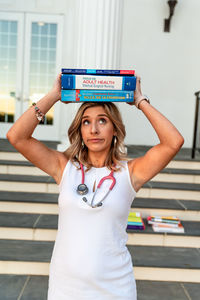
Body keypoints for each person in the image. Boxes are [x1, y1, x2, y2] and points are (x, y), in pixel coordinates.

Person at [7, 73, 184, 300]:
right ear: (80, 131)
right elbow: (16, 136)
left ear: (115, 129)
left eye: (102, 120)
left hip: (115, 288)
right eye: (86, 122)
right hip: (66, 287)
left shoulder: (130, 173)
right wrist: (54, 95)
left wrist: (140, 101)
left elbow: (173, 142)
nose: (94, 130)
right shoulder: (64, 167)